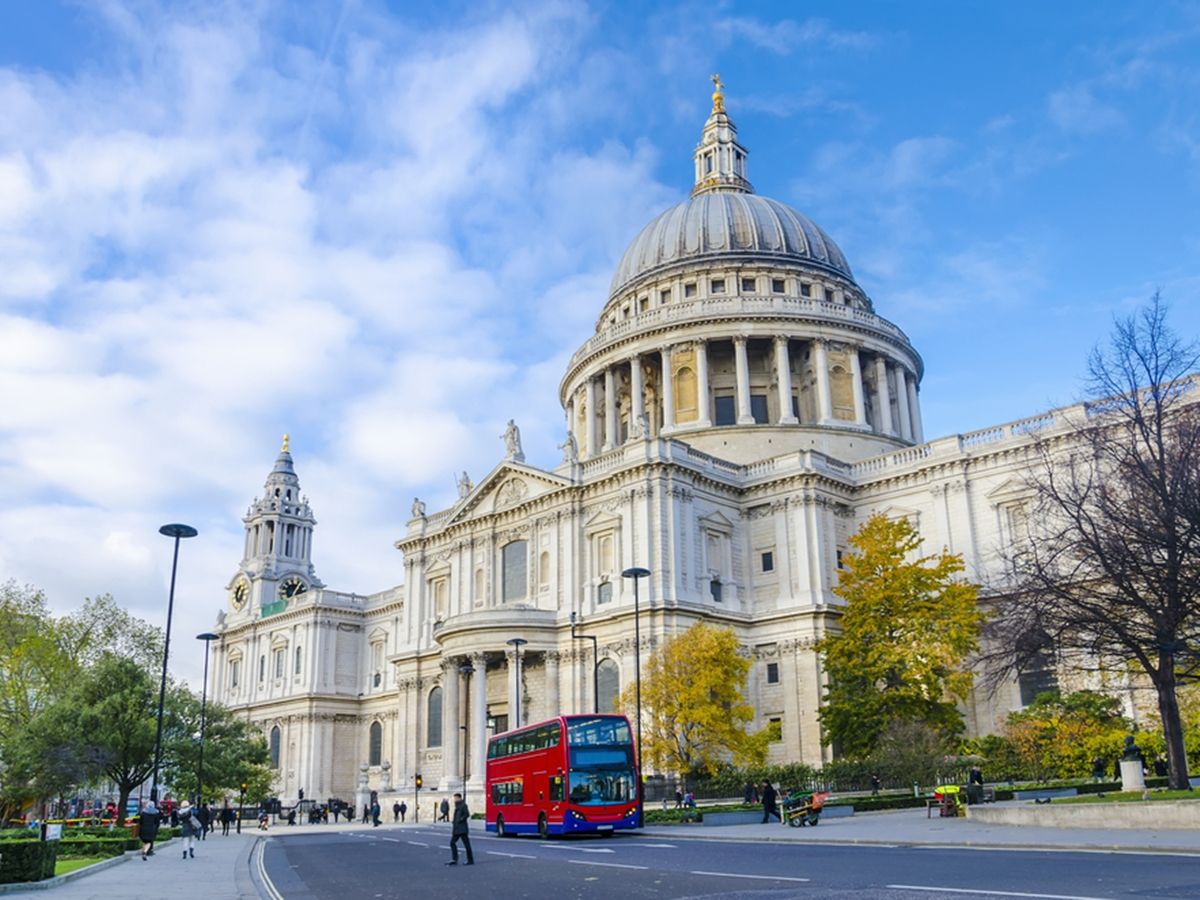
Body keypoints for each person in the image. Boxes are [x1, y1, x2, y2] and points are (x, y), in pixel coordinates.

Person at [445, 793, 474, 866]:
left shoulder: (463, 805)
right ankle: (454, 859)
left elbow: (467, 814)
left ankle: (470, 860)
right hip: (457, 829)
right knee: (452, 843)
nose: (454, 799)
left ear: (459, 798)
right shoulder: (457, 805)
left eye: (455, 798)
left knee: (467, 845)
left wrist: (460, 819)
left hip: (462, 828)